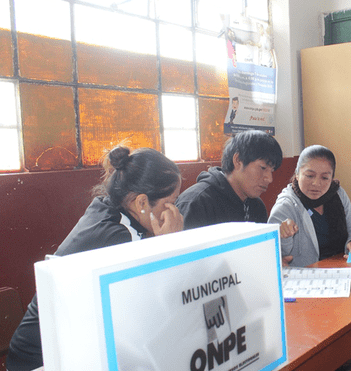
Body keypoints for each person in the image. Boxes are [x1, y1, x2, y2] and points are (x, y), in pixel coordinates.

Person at [6, 146, 183, 371]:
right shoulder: (118, 238)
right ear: (141, 203)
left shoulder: (107, 208)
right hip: (43, 361)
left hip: (54, 349)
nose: (175, 211)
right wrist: (170, 244)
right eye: (172, 201)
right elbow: (150, 307)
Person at [268, 145, 351, 267]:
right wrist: (284, 235)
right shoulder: (286, 206)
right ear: (297, 175)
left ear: (331, 178)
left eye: (325, 177)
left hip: (343, 270)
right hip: (307, 278)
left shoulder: (338, 195)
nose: (316, 183)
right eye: (309, 175)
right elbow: (273, 255)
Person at [176, 130, 284, 230]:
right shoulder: (196, 204)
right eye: (263, 168)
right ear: (237, 161)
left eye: (272, 170)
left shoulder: (257, 207)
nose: (269, 179)